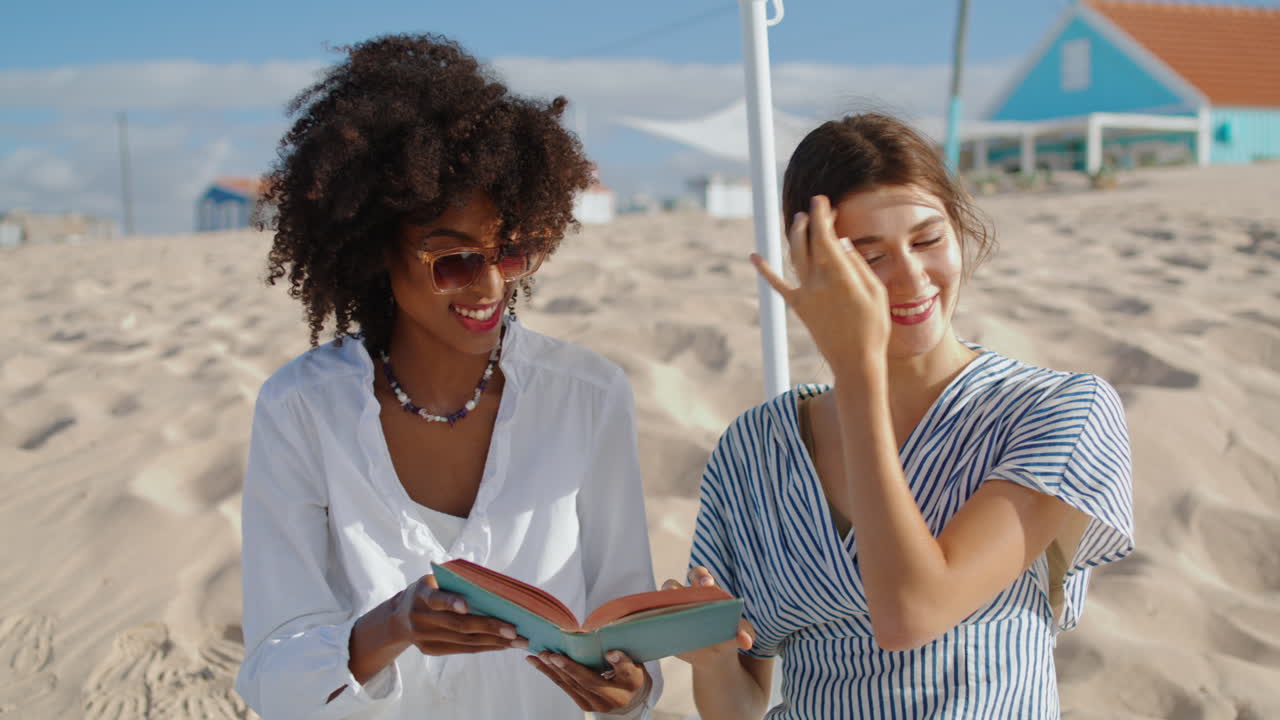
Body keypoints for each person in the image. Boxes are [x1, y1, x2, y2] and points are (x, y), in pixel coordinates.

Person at [235, 33, 660, 719]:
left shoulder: (589, 396)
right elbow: (273, 677)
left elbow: (627, 638)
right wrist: (392, 626)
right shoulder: (300, 409)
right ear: (378, 250)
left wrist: (630, 691)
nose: (490, 287)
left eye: (513, 252)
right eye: (455, 260)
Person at [666, 113, 1134, 719]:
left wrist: (857, 374)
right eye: (870, 256)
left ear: (960, 232)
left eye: (927, 240)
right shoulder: (758, 446)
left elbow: (911, 614)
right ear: (813, 270)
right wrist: (711, 662)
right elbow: (741, 704)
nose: (911, 277)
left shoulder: (1056, 410)